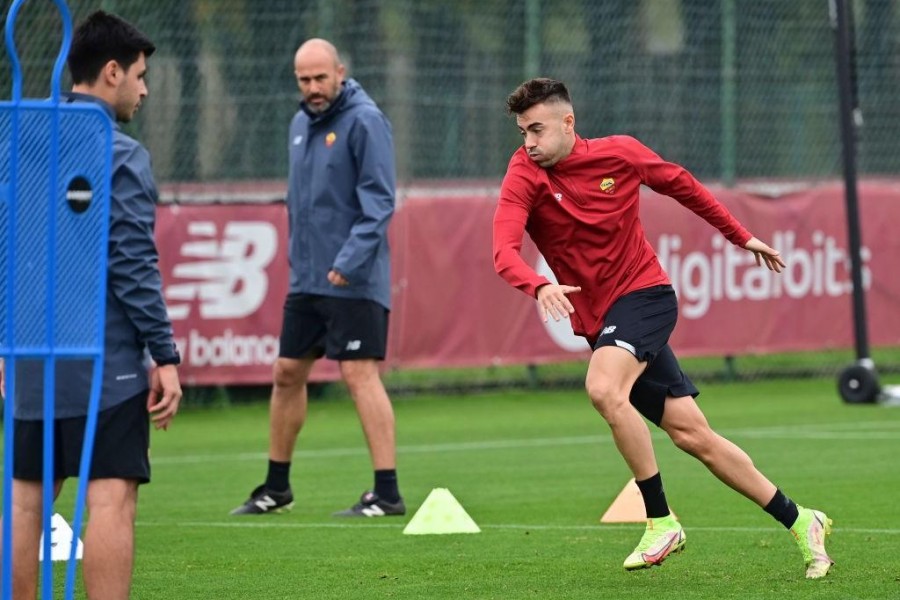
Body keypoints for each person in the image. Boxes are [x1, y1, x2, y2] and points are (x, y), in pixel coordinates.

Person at [493, 78, 833, 579]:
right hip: (602, 321)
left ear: (569, 123)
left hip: (645, 297)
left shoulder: (620, 154)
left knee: (604, 389)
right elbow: (502, 250)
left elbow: (684, 186)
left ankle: (660, 520)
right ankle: (802, 520)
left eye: (538, 129)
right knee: (694, 436)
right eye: (523, 132)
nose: (529, 142)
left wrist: (742, 237)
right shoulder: (524, 172)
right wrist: (535, 284)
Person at [0, 10, 183, 599]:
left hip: (32, 354)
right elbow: (131, 264)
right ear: (111, 72)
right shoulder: (121, 155)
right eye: (139, 74)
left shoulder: (19, 145)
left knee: (26, 499)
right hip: (106, 360)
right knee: (110, 496)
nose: (145, 88)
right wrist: (165, 352)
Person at [230, 39, 403, 518]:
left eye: (320, 78)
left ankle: (386, 493)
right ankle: (276, 487)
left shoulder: (365, 121)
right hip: (307, 278)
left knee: (358, 373)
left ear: (340, 72)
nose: (312, 89)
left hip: (354, 276)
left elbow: (380, 203)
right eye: (303, 80)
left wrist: (348, 261)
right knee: (286, 373)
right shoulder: (300, 124)